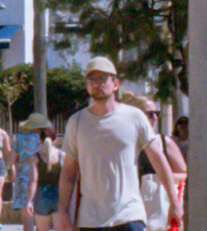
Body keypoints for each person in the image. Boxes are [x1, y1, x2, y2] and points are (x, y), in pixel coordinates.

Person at [62, 57, 179, 231]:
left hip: (129, 216)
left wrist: (175, 202)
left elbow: (158, 159)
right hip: (91, 220)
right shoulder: (76, 122)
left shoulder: (135, 117)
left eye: (102, 78)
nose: (96, 84)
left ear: (116, 84)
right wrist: (63, 212)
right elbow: (68, 173)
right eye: (91, 79)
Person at [120, 95, 185, 231]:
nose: (155, 118)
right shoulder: (121, 145)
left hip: (157, 217)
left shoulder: (163, 142)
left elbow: (184, 174)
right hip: (127, 215)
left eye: (157, 114)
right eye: (150, 114)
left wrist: (164, 176)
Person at [20, 116, 63, 231]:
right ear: (56, 139)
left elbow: (33, 181)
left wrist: (29, 201)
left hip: (41, 196)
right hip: (60, 196)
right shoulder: (62, 156)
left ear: (40, 140)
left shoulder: (36, 157)